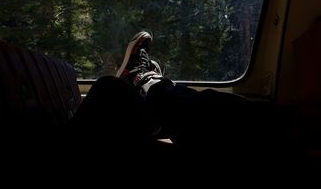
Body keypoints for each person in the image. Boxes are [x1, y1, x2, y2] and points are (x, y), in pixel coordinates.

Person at [69, 31, 298, 165]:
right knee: (229, 112)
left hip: (287, 132)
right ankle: (148, 85)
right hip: (287, 132)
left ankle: (144, 81)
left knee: (111, 89)